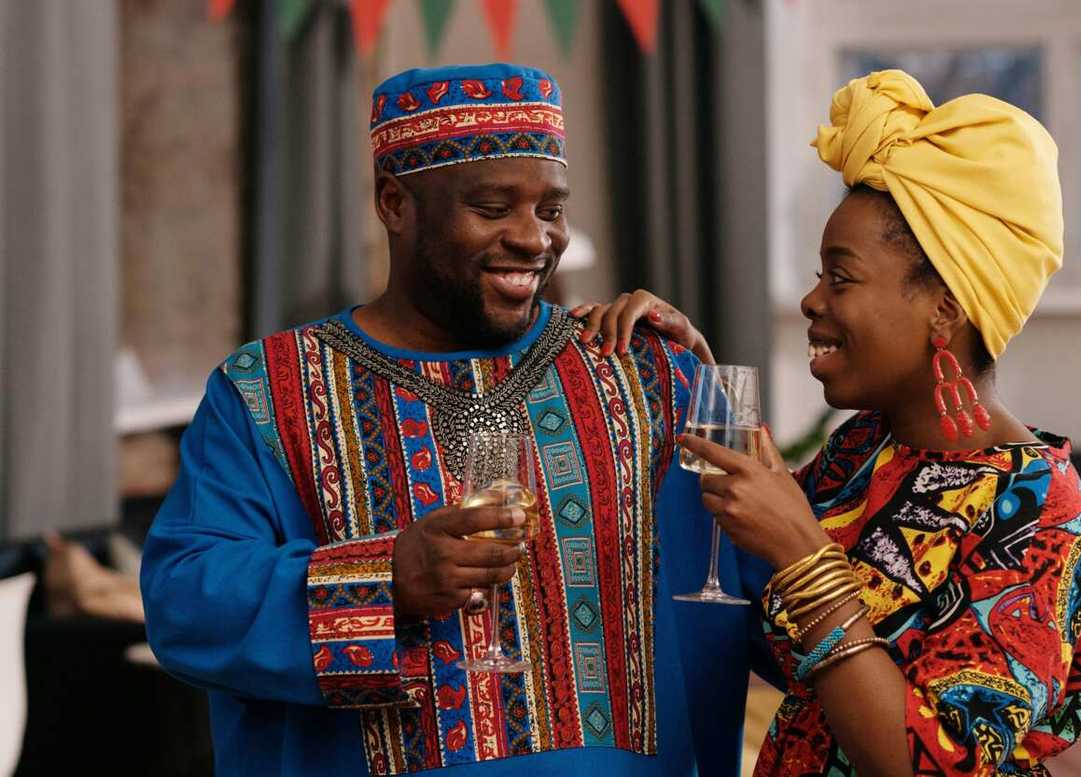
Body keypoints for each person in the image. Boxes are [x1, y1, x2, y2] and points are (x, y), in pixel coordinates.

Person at [140, 63, 772, 776]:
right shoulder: (267, 391)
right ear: (394, 203)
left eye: (552, 209)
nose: (535, 240)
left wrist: (710, 385)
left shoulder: (647, 373)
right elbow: (185, 604)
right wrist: (386, 578)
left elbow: (774, 590)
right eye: (494, 207)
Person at [579, 70, 1081, 776]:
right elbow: (756, 592)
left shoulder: (1039, 509)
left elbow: (933, 764)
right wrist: (694, 376)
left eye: (841, 276)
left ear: (944, 308)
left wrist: (803, 554)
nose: (810, 299)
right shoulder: (866, 447)